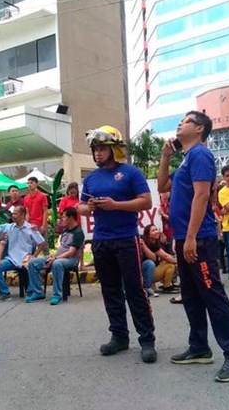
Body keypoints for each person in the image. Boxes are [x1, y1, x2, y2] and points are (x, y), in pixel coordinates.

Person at [158, 111, 229, 383]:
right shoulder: (186, 159)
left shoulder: (200, 155)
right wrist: (164, 156)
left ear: (198, 129)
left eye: (185, 121)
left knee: (212, 294)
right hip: (186, 237)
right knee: (192, 294)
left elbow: (201, 195)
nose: (179, 124)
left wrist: (192, 237)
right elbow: (162, 185)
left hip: (199, 238)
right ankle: (199, 347)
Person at [77, 125, 156, 364]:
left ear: (113, 149)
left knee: (135, 289)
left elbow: (146, 202)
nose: (97, 153)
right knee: (110, 290)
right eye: (95, 149)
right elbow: (80, 207)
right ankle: (119, 336)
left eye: (101, 148)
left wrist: (115, 205)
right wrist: (88, 208)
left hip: (126, 239)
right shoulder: (90, 178)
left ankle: (147, 340)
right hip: (101, 241)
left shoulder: (131, 173)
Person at [26, 207, 85, 305]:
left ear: (71, 218)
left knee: (57, 263)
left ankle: (57, 294)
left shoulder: (78, 232)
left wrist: (56, 258)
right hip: (58, 257)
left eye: (64, 217)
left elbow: (71, 252)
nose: (62, 219)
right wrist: (53, 256)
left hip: (70, 260)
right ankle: (37, 292)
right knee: (33, 262)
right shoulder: (66, 230)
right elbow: (61, 247)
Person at [0, 205, 46, 302]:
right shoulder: (9, 228)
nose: (13, 216)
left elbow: (42, 243)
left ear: (23, 215)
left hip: (25, 259)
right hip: (11, 259)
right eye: (13, 213)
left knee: (31, 266)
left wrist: (34, 255)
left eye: (15, 213)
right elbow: (2, 243)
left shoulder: (31, 228)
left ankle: (33, 291)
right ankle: (5, 293)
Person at [140, 224, 176, 297]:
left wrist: (175, 258)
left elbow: (167, 256)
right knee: (151, 263)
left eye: (156, 230)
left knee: (168, 262)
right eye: (153, 231)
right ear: (147, 234)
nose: (156, 232)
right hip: (143, 273)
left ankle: (167, 285)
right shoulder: (144, 243)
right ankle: (147, 287)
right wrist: (179, 262)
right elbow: (155, 258)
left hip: (151, 272)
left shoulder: (156, 242)